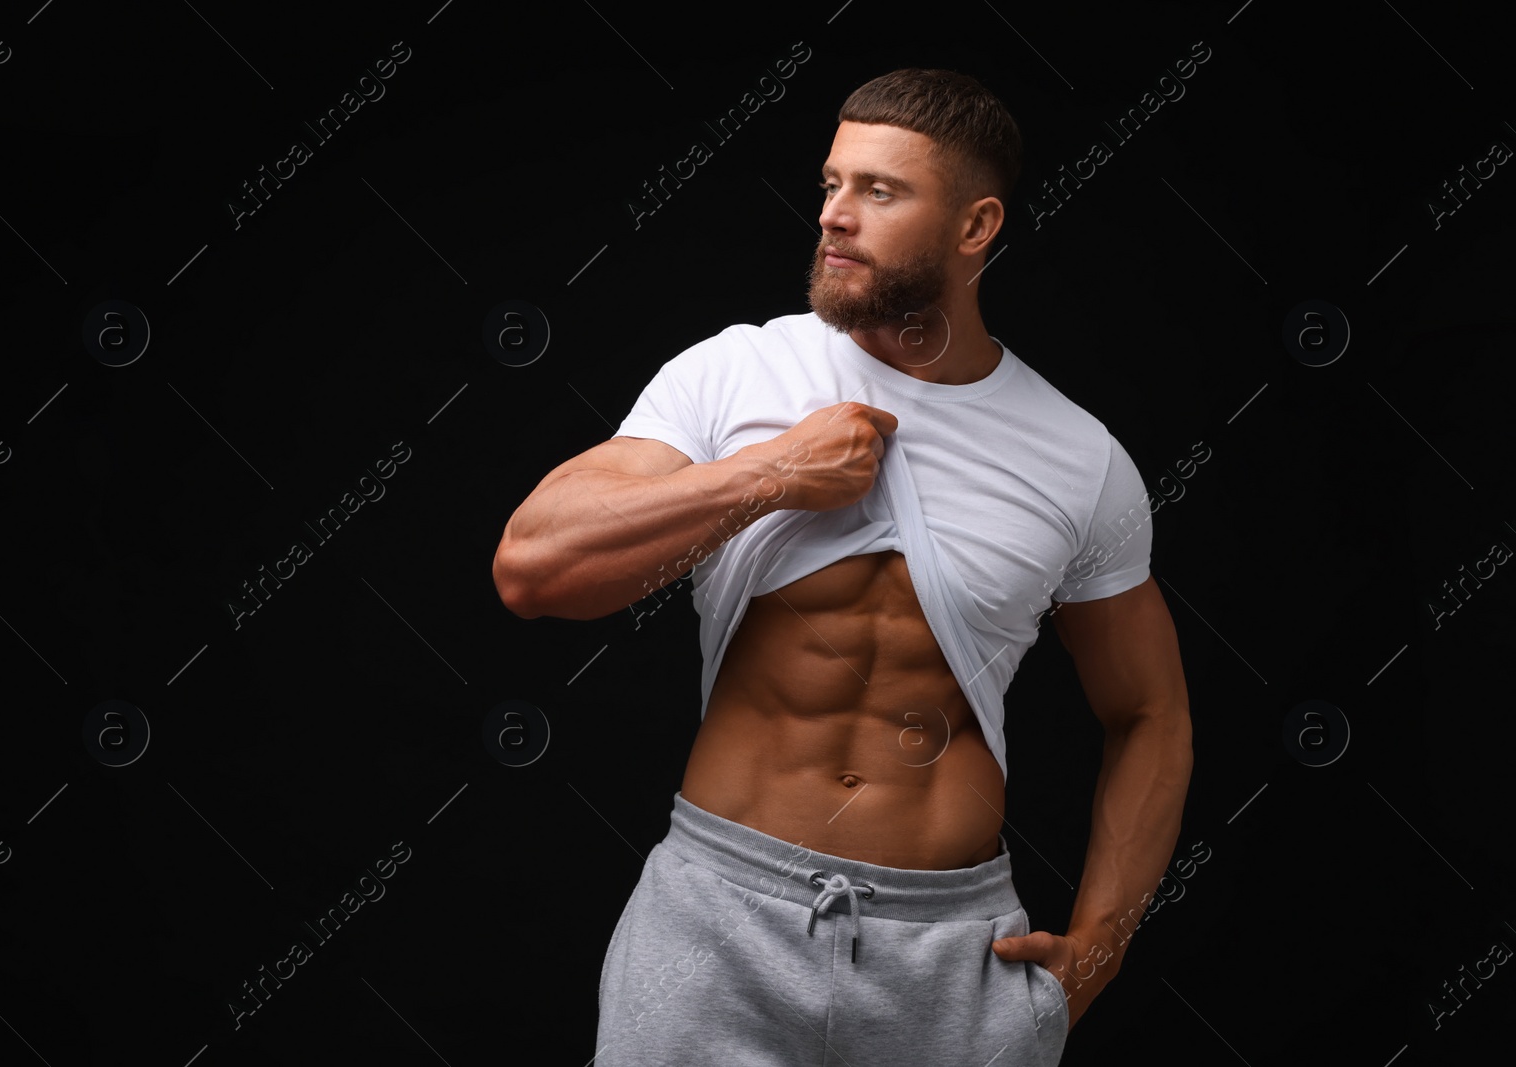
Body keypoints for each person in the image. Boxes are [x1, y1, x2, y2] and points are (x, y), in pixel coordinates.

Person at [492, 67, 1192, 1066]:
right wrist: (772, 472)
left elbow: (1150, 714)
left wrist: (1100, 947)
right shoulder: (738, 372)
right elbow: (533, 566)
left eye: (879, 191)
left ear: (974, 226)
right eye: (831, 184)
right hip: (714, 924)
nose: (835, 216)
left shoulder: (1078, 459)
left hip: (951, 954)